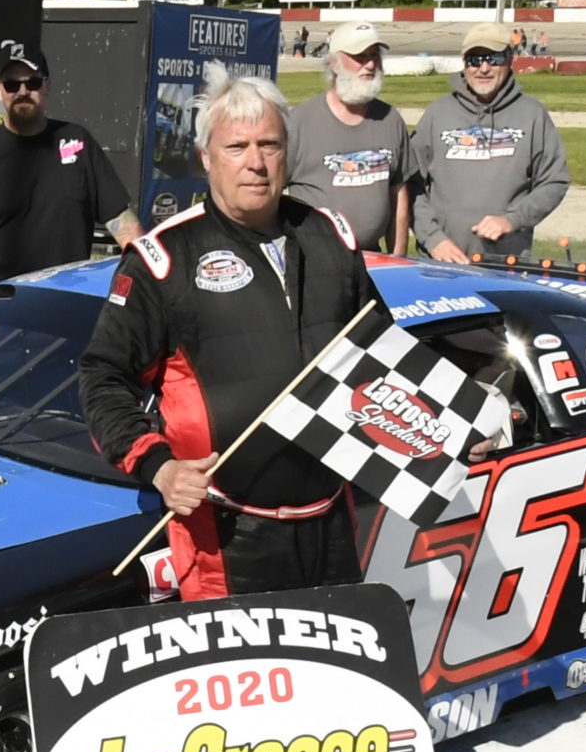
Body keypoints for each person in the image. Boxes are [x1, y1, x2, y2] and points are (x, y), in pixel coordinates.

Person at [78, 68, 381, 599]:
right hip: (225, 535)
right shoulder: (162, 258)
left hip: (332, 518)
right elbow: (102, 377)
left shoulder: (330, 236)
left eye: (269, 145)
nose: (256, 163)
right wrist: (159, 466)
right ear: (206, 157)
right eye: (237, 147)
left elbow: (384, 357)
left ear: (288, 152)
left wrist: (455, 430)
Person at [0, 44, 142, 284]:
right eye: (12, 85)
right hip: (0, 302)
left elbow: (122, 222)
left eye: (33, 83)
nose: (23, 92)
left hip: (68, 297)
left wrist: (146, 279)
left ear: (47, 86)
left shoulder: (77, 142)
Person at [409, 22, 570, 264]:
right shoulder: (437, 114)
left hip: (506, 262)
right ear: (464, 63)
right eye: (475, 60)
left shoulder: (532, 114)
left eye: (493, 59)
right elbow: (410, 184)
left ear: (510, 59)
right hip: (440, 261)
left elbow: (554, 181)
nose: (484, 68)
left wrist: (512, 219)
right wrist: (433, 239)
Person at [283, 22, 411, 253]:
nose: (370, 65)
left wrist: (399, 256)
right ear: (334, 63)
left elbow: (398, 193)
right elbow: (269, 192)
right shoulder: (300, 122)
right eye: (360, 57)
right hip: (314, 259)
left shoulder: (390, 119)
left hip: (372, 258)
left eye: (374, 55)